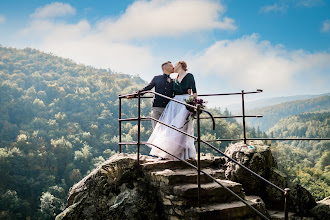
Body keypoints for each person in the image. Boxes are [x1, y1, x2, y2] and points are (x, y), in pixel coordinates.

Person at [147, 61, 197, 160]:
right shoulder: (174, 78)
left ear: (180, 65)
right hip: (174, 104)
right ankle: (167, 152)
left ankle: (184, 154)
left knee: (183, 128)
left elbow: (194, 91)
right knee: (172, 129)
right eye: (171, 65)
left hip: (184, 103)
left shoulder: (189, 76)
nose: (173, 66)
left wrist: (193, 103)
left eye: (175, 64)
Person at [127, 61, 174, 129]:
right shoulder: (157, 78)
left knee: (167, 130)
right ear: (165, 68)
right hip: (157, 107)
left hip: (168, 108)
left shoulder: (173, 81)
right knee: (156, 129)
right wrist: (134, 95)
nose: (173, 67)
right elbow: (147, 88)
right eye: (171, 66)